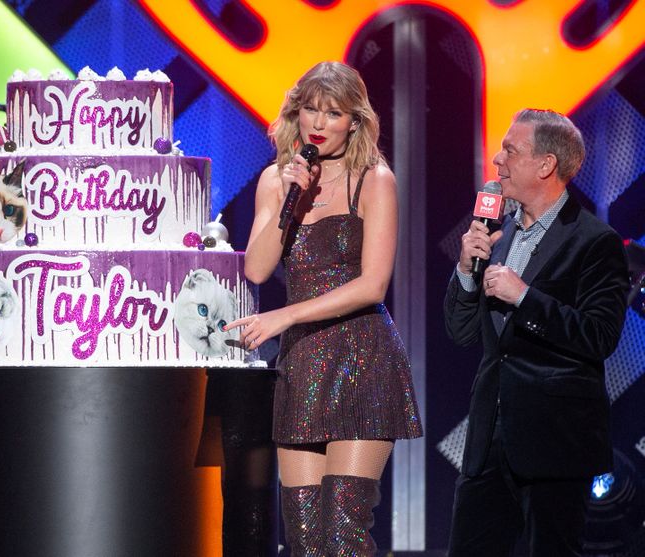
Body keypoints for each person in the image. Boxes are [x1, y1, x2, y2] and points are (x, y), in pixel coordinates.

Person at [226, 61, 422, 555]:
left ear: (354, 121)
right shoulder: (276, 180)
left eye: (332, 113)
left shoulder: (374, 179)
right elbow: (256, 269)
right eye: (311, 109)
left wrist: (285, 315)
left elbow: (373, 285)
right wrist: (292, 198)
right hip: (304, 364)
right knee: (306, 540)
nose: (318, 122)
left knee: (343, 531)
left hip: (362, 360)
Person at [444, 108, 629, 556]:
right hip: (490, 438)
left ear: (546, 165)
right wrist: (467, 271)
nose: (496, 160)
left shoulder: (594, 241)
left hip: (556, 443)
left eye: (510, 150)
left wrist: (525, 297)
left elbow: (600, 336)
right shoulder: (498, 235)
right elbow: (462, 332)